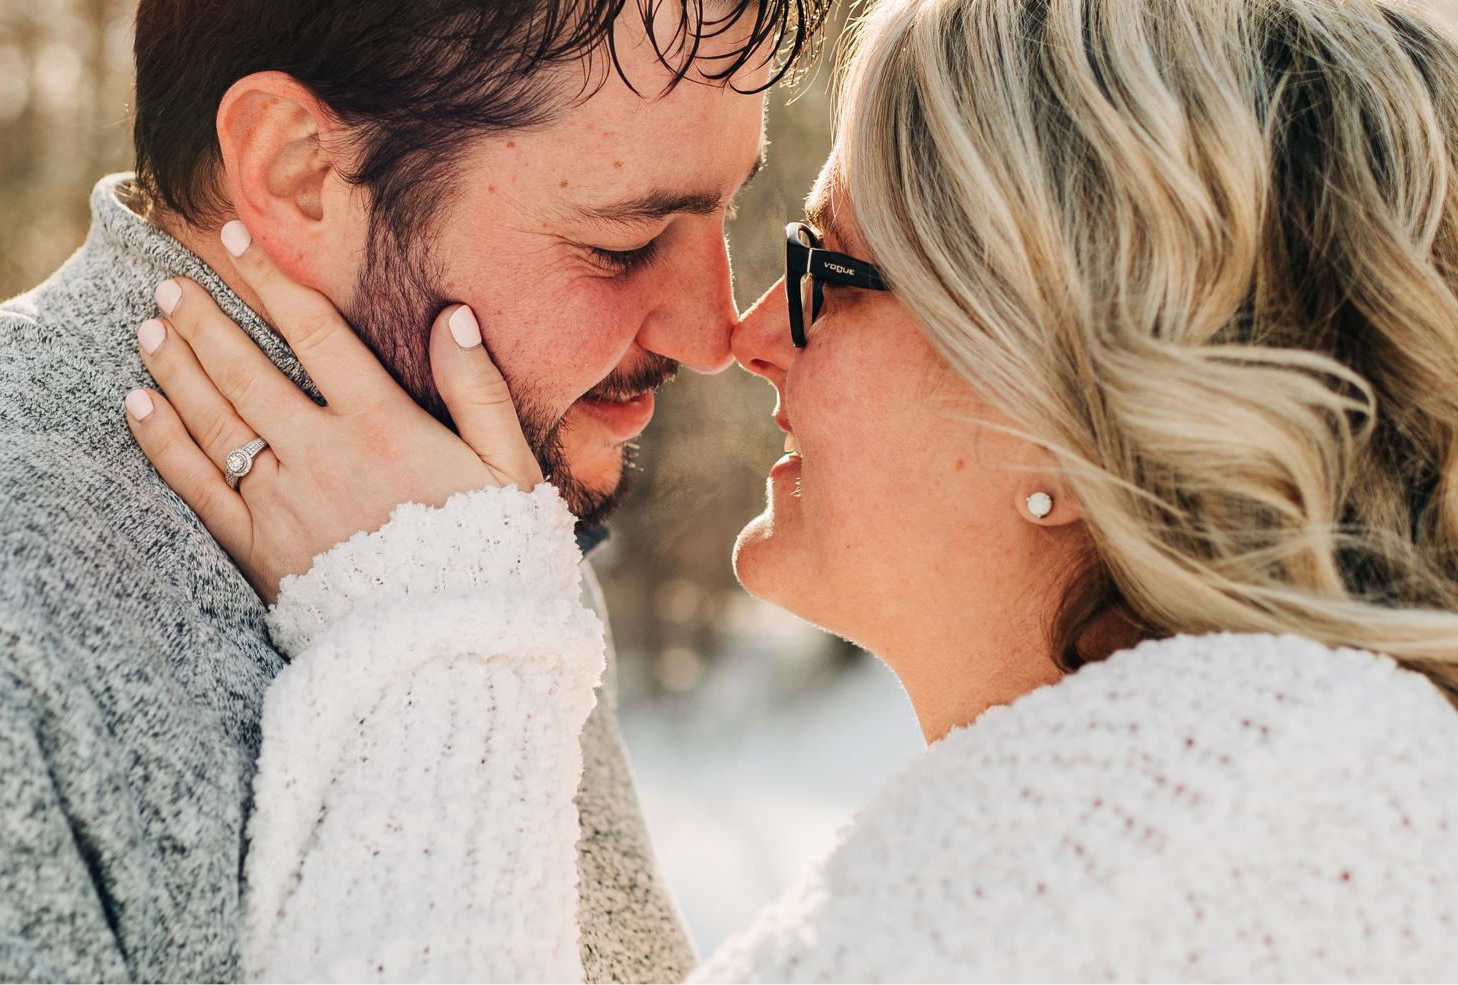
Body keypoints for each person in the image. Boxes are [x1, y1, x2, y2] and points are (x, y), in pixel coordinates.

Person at [129, 0, 1458, 978]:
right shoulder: (1285, 801)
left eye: (828, 270)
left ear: (1065, 393)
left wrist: (435, 637)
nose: (742, 334)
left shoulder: (1167, 866)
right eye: (627, 237)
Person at [0, 1, 832, 979]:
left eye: (725, 208)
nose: (712, 332)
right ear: (298, 169)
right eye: (624, 242)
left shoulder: (470, 523)